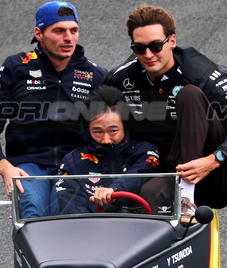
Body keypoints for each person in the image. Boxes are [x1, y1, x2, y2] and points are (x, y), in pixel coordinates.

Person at [106, 4, 227, 220]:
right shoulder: (119, 80)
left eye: (156, 46)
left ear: (172, 41)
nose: (148, 55)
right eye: (139, 48)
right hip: (166, 172)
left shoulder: (206, 75)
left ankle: (186, 197)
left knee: (189, 95)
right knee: (147, 195)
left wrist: (214, 159)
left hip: (217, 172)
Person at [0, 1, 107, 218]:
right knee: (33, 210)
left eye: (73, 30)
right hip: (28, 163)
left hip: (76, 162)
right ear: (39, 33)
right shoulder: (16, 67)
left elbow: (117, 129)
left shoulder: (96, 75)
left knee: (65, 212)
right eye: (59, 31)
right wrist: (4, 167)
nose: (68, 38)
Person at [54, 86, 161, 215]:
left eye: (113, 131)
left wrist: (114, 190)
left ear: (125, 126)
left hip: (137, 230)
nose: (106, 140)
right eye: (98, 132)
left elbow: (138, 175)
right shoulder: (72, 161)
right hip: (87, 231)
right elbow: (72, 209)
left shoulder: (145, 153)